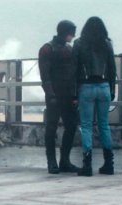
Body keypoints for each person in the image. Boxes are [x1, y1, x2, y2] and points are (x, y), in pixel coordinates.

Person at [72, 16, 116, 176]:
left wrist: (74, 92)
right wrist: (112, 89)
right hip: (104, 86)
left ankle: (87, 165)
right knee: (104, 125)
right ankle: (109, 165)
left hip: (86, 87)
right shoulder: (107, 43)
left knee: (86, 126)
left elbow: (74, 69)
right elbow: (112, 68)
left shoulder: (78, 44)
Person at [38, 20, 80, 174]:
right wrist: (50, 94)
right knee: (51, 128)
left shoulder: (68, 49)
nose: (73, 35)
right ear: (65, 31)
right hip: (55, 95)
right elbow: (45, 76)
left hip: (68, 95)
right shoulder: (47, 49)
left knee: (71, 126)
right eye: (71, 31)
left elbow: (73, 75)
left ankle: (64, 161)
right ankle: (52, 162)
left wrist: (75, 95)